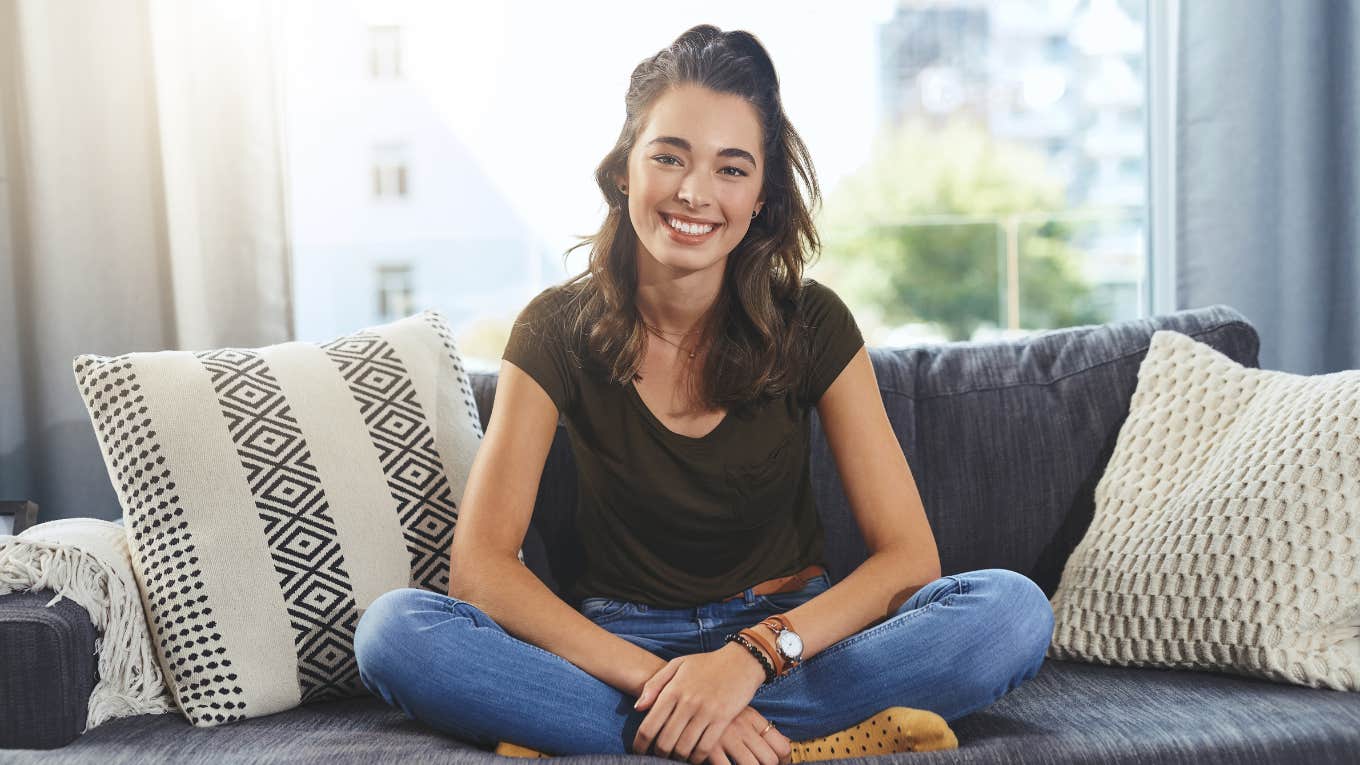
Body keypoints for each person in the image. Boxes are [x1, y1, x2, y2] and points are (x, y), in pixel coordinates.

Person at [353, 24, 1054, 764]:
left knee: (1010, 611)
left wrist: (747, 660)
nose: (694, 192)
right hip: (620, 653)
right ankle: (782, 741)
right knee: (397, 631)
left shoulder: (813, 321)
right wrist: (674, 687)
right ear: (626, 167)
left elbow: (909, 558)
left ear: (760, 198)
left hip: (788, 640)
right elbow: (483, 568)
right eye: (669, 156)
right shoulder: (554, 329)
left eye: (731, 169)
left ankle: (605, 737)